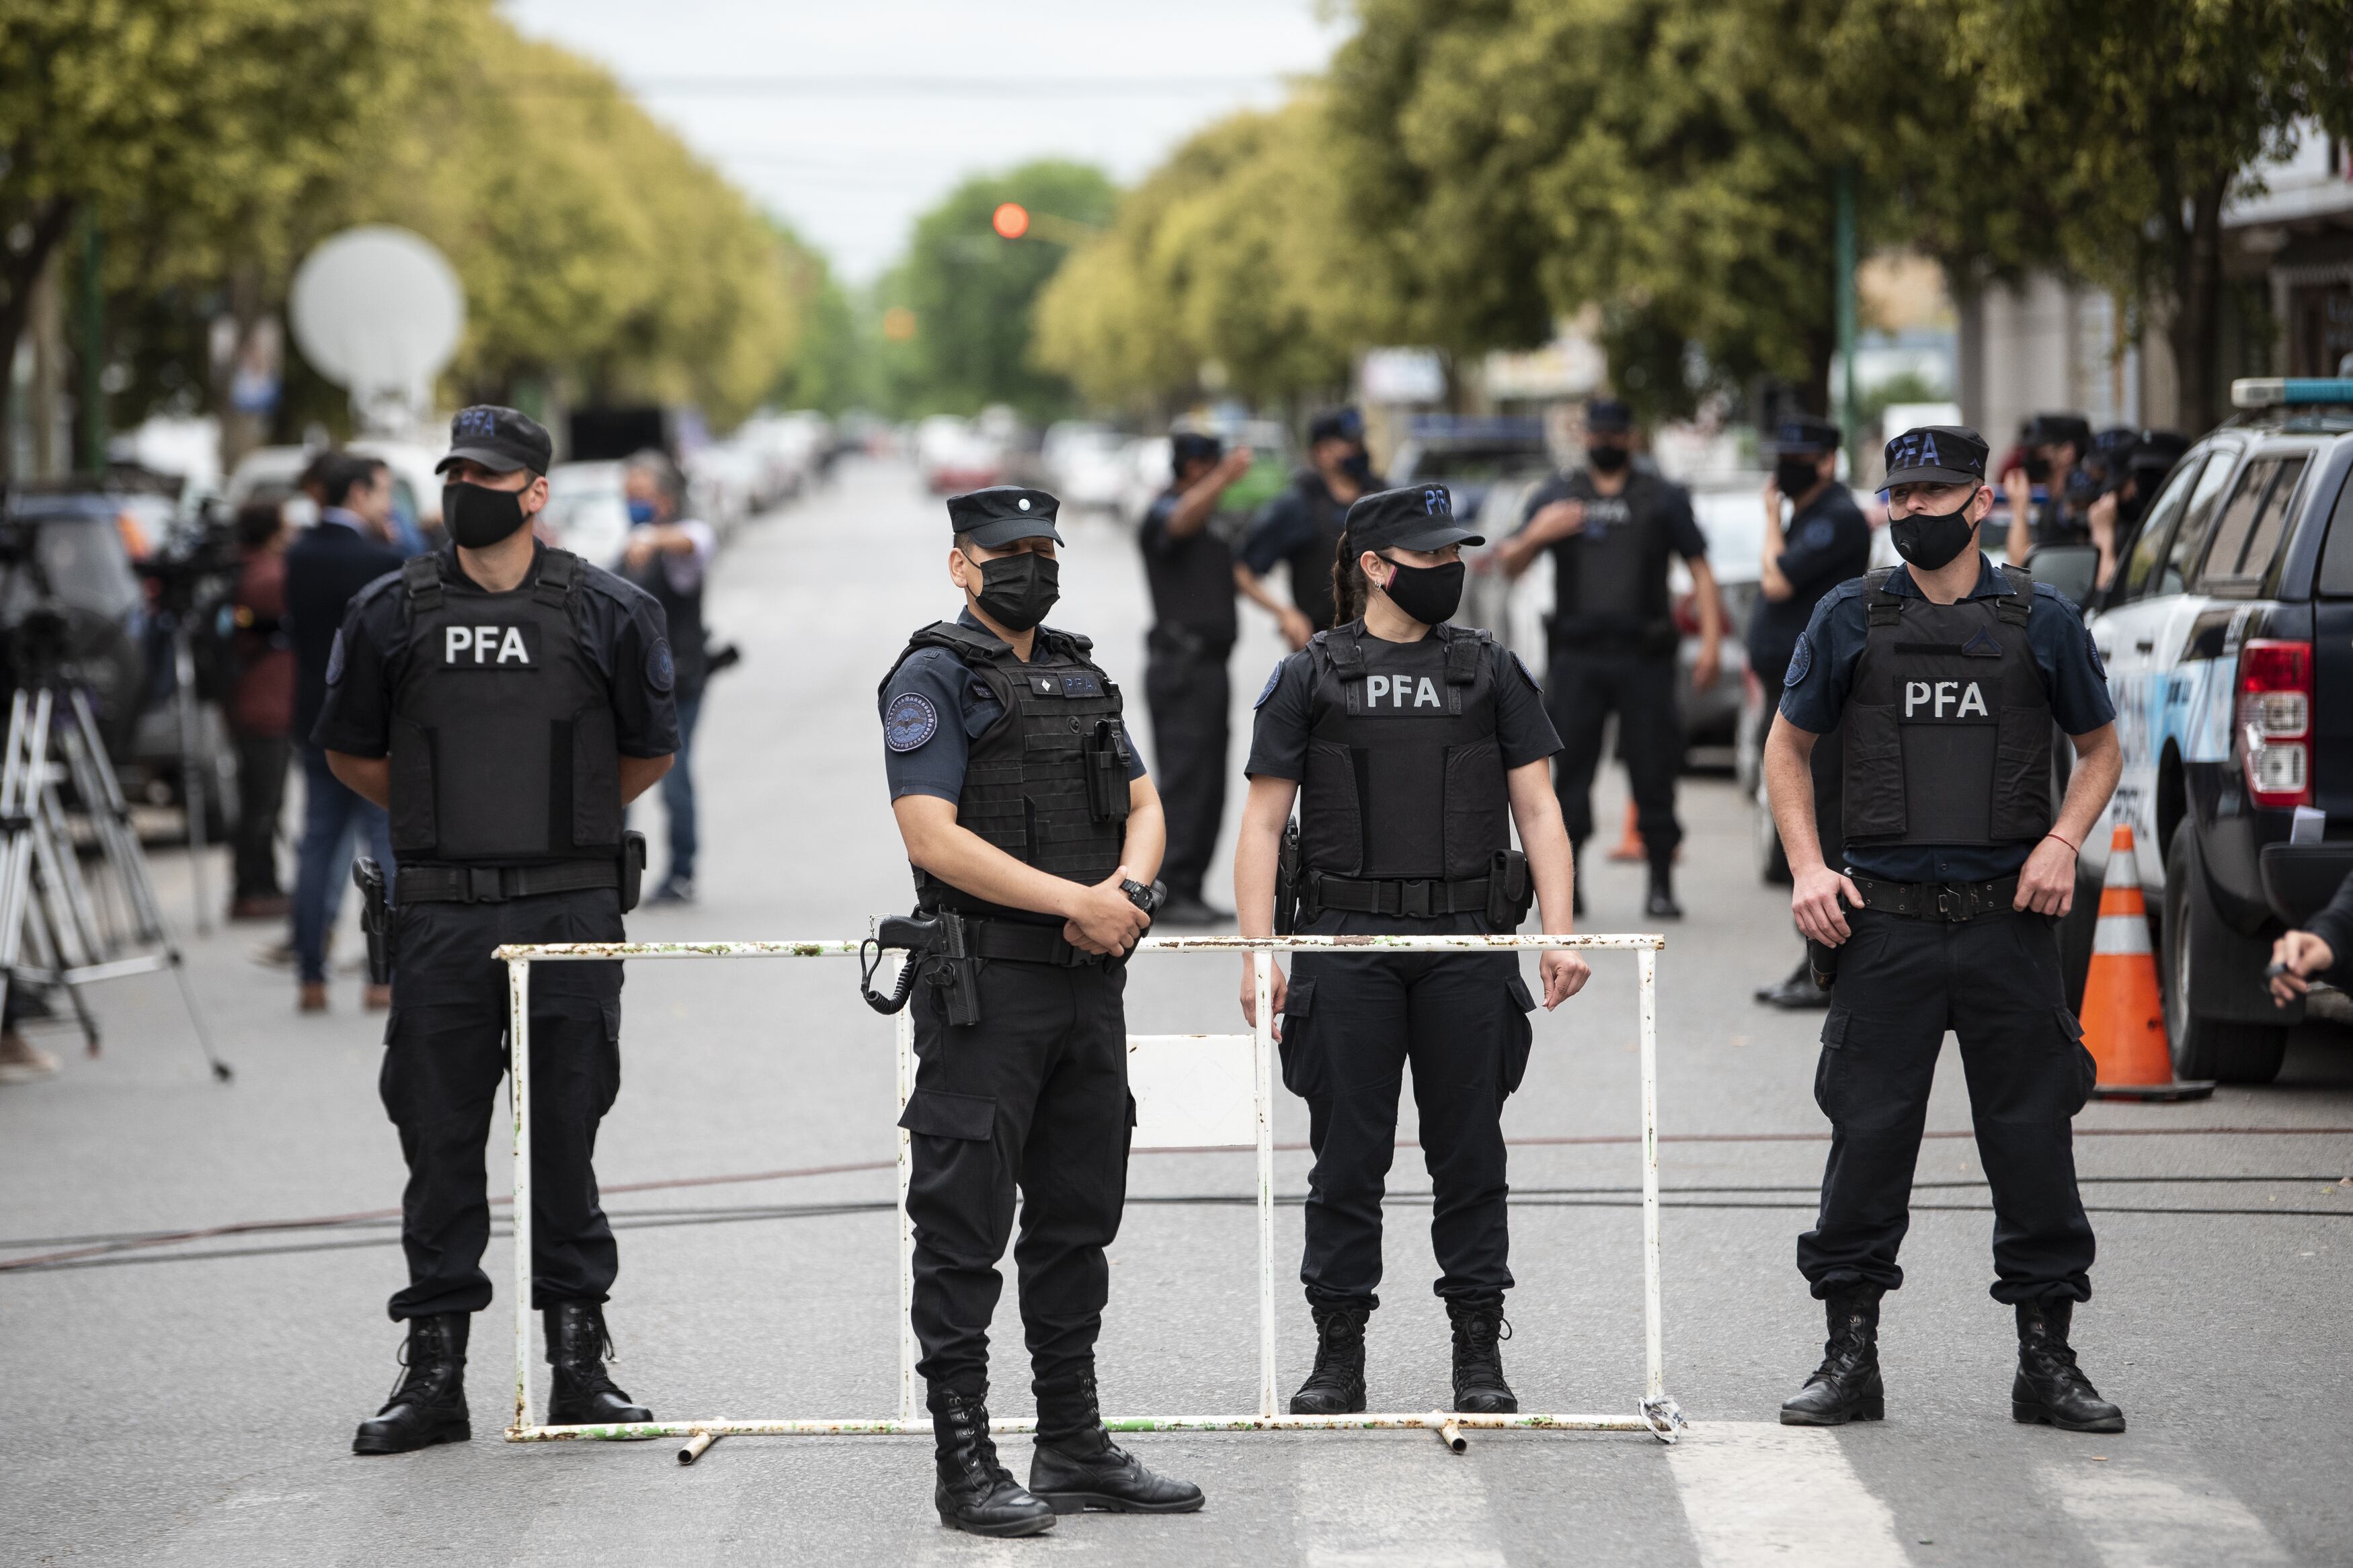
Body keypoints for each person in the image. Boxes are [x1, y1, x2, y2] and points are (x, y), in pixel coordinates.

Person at [317, 406, 680, 1456]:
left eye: (488, 472)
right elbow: (353, 751)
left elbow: (647, 751)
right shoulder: (390, 611)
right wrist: (447, 820)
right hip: (439, 913)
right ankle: (434, 1376)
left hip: (568, 904)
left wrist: (557, 823)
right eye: (455, 470)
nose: (465, 485)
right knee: (438, 1143)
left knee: (565, 1133)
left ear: (535, 493)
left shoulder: (609, 609)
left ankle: (579, 1365)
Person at [1763, 422, 2126, 1434]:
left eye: (1934, 494)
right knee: (1869, 1143)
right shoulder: (1850, 616)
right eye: (1900, 495)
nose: (1913, 510)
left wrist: (2062, 841)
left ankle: (2046, 1362)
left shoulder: (2038, 618)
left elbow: (2099, 749)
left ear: (1980, 502)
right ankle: (1850, 1356)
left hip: (2010, 923)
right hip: (1886, 926)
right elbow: (1786, 751)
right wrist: (1804, 868)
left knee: (2033, 1143)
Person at [879, 485, 1200, 1536]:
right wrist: (1080, 902)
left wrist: (1134, 899)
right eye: (1007, 550)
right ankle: (963, 1460)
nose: (1032, 563)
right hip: (988, 989)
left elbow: (1145, 805)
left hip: (1087, 984)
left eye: (1043, 547)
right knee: (963, 1225)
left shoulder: (1082, 672)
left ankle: (1069, 1441)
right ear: (961, 564)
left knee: (1075, 1220)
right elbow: (930, 834)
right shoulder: (933, 673)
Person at [1234, 483, 1589, 1419]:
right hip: (1345, 943)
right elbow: (1263, 824)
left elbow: (1541, 809)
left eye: (1453, 556)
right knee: (1346, 1159)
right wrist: (1256, 951)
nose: (1450, 572)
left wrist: (1560, 929)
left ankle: (1478, 1349)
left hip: (1469, 943)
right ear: (1377, 568)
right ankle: (1338, 1353)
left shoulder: (1491, 670)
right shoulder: (1309, 674)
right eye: (1431, 558)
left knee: (1470, 1153)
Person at [1495, 397, 1723, 919]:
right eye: (1597, 434)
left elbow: (1701, 568)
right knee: (1569, 777)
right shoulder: (1558, 495)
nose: (1605, 442)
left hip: (1644, 658)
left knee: (1655, 771)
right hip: (1578, 659)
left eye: (1615, 434)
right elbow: (1507, 564)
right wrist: (1537, 533)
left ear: (1630, 437)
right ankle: (1568, 885)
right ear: (1585, 436)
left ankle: (1661, 883)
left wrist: (1709, 644)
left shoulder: (1660, 497)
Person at [1747, 416, 1873, 1009]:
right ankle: (1817, 962)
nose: (1788, 466)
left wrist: (1771, 520)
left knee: (1823, 824)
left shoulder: (1836, 517)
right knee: (1807, 823)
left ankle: (1830, 965)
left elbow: (1776, 582)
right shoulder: (1812, 512)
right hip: (1797, 692)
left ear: (1828, 460)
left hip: (1825, 698)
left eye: (1801, 456)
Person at [284, 453, 404, 1012]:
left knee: (316, 845)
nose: (388, 503)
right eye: (382, 492)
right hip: (379, 725)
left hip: (314, 718)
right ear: (358, 494)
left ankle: (311, 974)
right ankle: (383, 977)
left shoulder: (298, 554)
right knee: (386, 847)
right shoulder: (384, 557)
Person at [1140, 430, 1253, 925]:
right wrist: (1225, 477)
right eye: (1207, 463)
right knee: (1184, 782)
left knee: (1210, 784)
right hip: (1179, 667)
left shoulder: (1212, 522)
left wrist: (1281, 611)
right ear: (1188, 466)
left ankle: (1191, 885)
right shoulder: (1164, 512)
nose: (1214, 471)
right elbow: (1181, 520)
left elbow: (1238, 575)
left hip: (1211, 666)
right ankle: (1167, 888)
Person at [618, 454, 717, 905]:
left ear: (661, 499)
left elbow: (695, 541)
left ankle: (681, 872)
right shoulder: (626, 545)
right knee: (614, 777)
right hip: (629, 686)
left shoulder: (678, 541)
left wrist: (654, 537)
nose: (630, 503)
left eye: (638, 495)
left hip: (680, 684)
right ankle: (609, 871)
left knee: (673, 777)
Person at [1236, 407, 1372, 649]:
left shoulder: (1382, 496)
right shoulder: (1297, 505)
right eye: (1350, 443)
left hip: (1382, 654)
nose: (1359, 449)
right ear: (1322, 452)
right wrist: (1285, 614)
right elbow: (1242, 570)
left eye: (1360, 441)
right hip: (1323, 653)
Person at [227, 499, 296, 921]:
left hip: (250, 701)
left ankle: (258, 883)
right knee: (263, 802)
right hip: (266, 706)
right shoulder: (270, 576)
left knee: (259, 800)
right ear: (272, 533)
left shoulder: (244, 570)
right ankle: (254, 887)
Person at [2002, 412, 2094, 565]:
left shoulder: (2077, 506)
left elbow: (2022, 566)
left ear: (2067, 452)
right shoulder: (2053, 505)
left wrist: (2019, 508)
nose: (2030, 458)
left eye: (2039, 451)